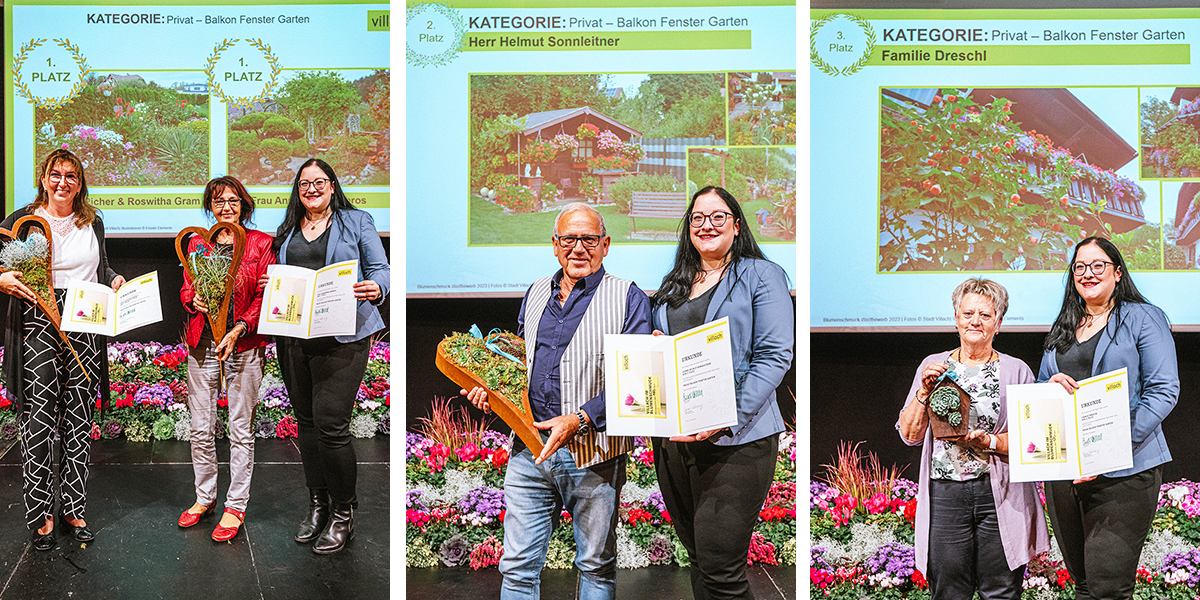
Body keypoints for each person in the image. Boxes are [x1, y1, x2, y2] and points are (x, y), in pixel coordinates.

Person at [464, 202, 651, 599]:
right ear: (554, 244)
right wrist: (489, 393)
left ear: (606, 245)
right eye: (569, 239)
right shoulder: (534, 293)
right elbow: (517, 366)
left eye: (589, 239)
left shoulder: (629, 298)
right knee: (516, 568)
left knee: (596, 567)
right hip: (529, 452)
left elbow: (635, 380)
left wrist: (580, 419)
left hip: (594, 455)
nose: (578, 248)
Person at [649, 186, 794, 600]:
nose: (706, 225)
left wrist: (726, 416)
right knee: (698, 560)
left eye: (717, 216)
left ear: (735, 225)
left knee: (720, 568)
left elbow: (774, 355)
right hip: (676, 440)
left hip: (737, 439)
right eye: (697, 218)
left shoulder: (761, 275)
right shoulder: (674, 283)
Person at [0, 149, 125, 550]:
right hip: (37, 321)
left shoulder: (93, 221)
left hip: (86, 321)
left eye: (72, 176)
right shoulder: (21, 221)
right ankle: (40, 515)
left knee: (78, 420)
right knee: (38, 419)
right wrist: (1, 278)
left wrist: (115, 277)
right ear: (43, 178)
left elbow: (100, 266)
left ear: (80, 183)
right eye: (56, 174)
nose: (63, 182)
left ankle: (73, 507)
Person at [1040, 237, 1178, 600]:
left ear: (1117, 272)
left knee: (1108, 589)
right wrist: (1049, 386)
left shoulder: (1142, 317)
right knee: (1084, 586)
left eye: (1098, 265)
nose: (1088, 273)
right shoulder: (1063, 327)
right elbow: (1042, 389)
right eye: (1080, 267)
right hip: (1066, 472)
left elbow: (1164, 390)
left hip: (1125, 471)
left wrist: (1112, 449)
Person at [897, 277, 1049, 600]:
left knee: (1002, 591)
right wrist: (924, 392)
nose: (975, 321)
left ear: (999, 323)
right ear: (956, 318)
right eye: (968, 314)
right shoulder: (933, 367)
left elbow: (1032, 441)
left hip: (999, 496)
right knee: (949, 591)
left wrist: (989, 443)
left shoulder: (1017, 371)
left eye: (985, 315)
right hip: (946, 494)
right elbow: (910, 435)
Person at [272, 158, 390, 554]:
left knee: (331, 425)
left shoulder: (357, 222)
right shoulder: (287, 229)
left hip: (343, 336)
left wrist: (377, 288)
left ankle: (344, 513)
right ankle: (318, 505)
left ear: (333, 185)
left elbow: (381, 269)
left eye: (319, 182)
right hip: (294, 337)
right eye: (304, 184)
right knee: (305, 423)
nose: (312, 189)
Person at [177, 176, 275, 541]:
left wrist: (240, 329)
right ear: (210, 206)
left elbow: (267, 293)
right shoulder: (197, 244)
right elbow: (188, 286)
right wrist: (193, 301)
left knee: (240, 428)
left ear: (244, 205)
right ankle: (204, 498)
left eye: (233, 200)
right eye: (218, 201)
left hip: (244, 345)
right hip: (202, 343)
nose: (226, 207)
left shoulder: (261, 243)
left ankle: (235, 505)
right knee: (200, 427)